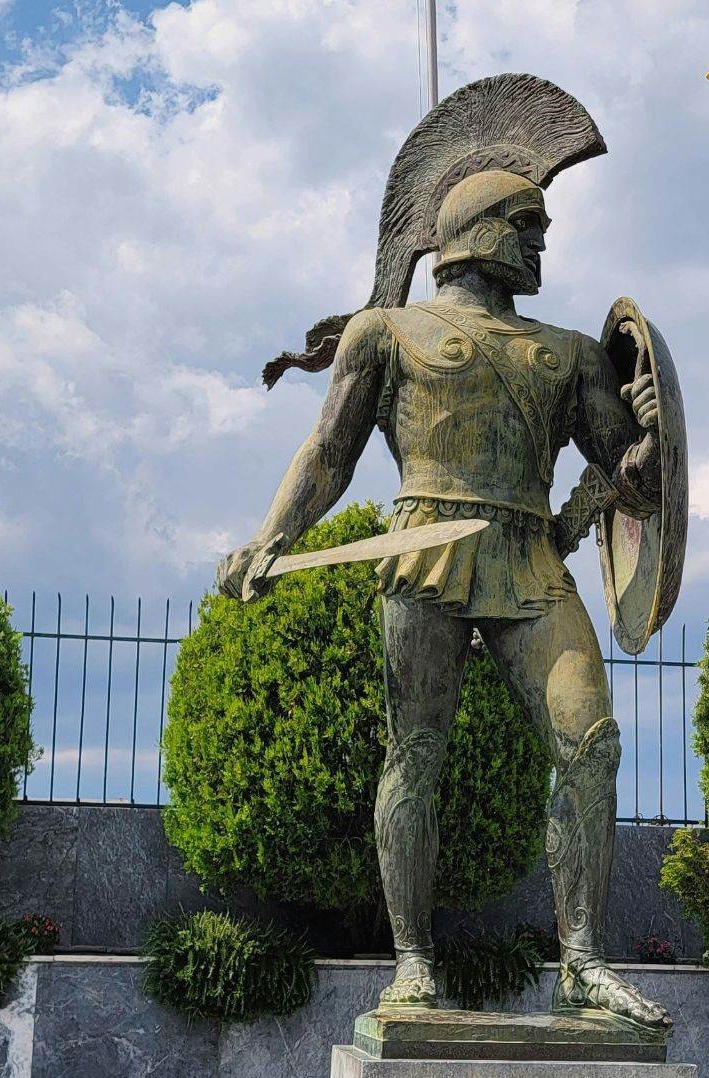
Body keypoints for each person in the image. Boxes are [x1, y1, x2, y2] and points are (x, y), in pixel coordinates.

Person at [217, 169, 670, 1031]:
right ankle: (412, 963)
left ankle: (581, 963)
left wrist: (650, 432)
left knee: (592, 741)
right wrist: (271, 535)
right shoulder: (383, 333)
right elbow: (328, 452)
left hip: (531, 558)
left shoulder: (570, 352)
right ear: (479, 230)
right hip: (423, 548)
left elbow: (629, 485)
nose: (542, 242)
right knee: (414, 754)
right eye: (528, 224)